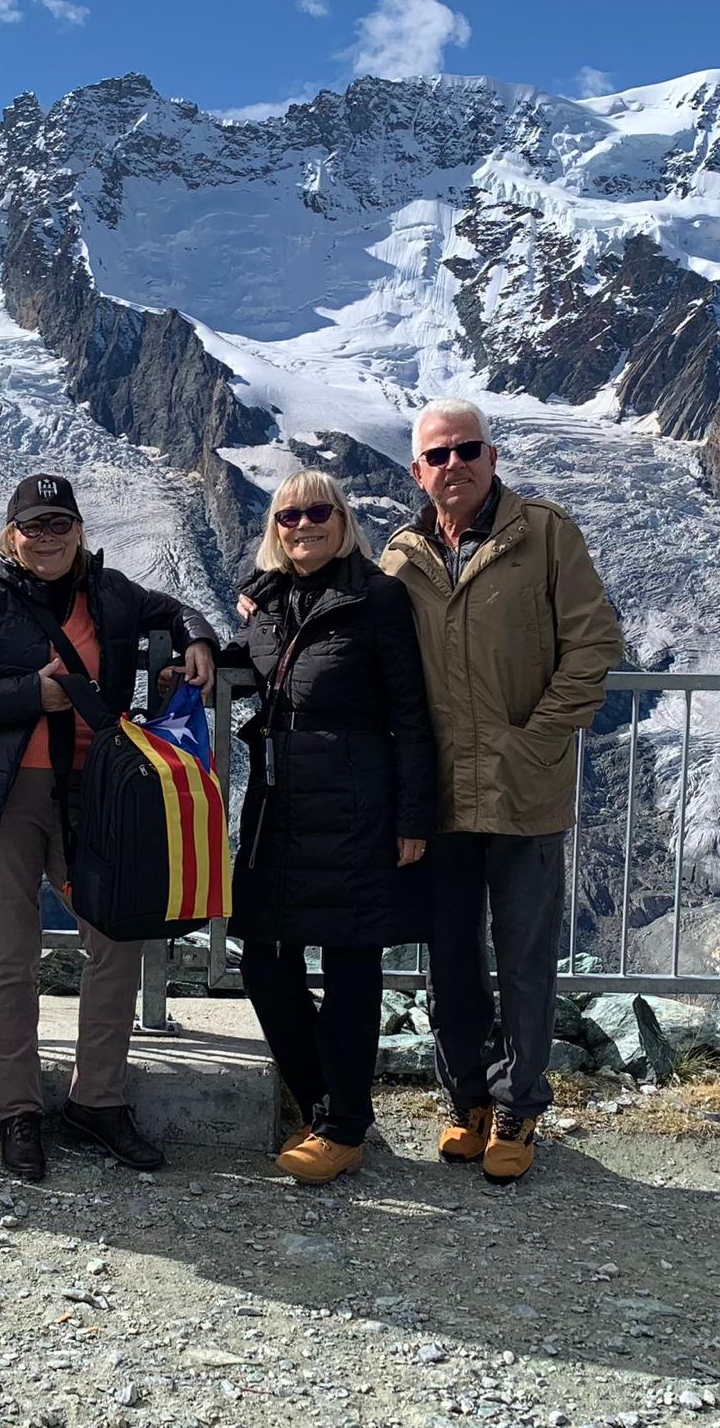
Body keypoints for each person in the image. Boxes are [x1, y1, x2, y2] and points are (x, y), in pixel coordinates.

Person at [0, 474, 217, 1182]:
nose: (47, 537)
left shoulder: (113, 594)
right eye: (34, 526)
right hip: (0, 797)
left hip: (92, 793)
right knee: (9, 952)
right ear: (10, 533)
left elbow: (171, 608)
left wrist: (198, 637)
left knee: (116, 934)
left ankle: (98, 1099)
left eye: (59, 524)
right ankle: (17, 1109)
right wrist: (35, 693)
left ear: (79, 530)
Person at [381, 398, 623, 1182]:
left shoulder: (545, 535)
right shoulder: (401, 555)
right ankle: (466, 1101)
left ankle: (518, 1104)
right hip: (442, 794)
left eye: (467, 450)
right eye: (437, 456)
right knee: (449, 956)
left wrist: (539, 737)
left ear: (492, 457)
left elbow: (595, 642)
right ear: (417, 471)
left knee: (524, 956)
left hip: (523, 788)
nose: (453, 466)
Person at [222, 470, 435, 1185]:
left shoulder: (378, 599)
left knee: (350, 965)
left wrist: (413, 815)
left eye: (319, 512)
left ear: (343, 520)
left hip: (354, 809)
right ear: (273, 529)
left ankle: (341, 1124)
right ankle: (326, 1102)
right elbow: (248, 664)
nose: (303, 525)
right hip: (279, 809)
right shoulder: (268, 602)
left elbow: (410, 713)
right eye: (289, 516)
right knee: (262, 960)